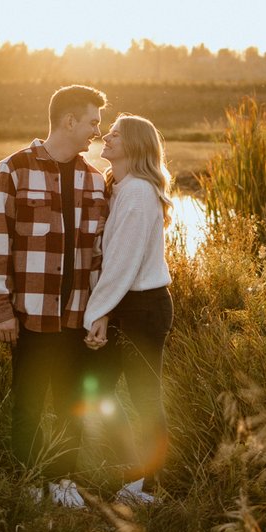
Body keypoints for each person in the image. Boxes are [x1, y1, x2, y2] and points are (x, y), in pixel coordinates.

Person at [0, 84, 108, 506]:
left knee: (74, 404)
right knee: (29, 406)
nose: (97, 130)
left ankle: (64, 481)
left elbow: (99, 256)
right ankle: (29, 482)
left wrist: (100, 313)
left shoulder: (95, 181)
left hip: (78, 315)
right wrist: (1, 309)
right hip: (30, 314)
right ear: (69, 121)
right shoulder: (12, 169)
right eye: (92, 121)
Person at [83, 114, 173, 503]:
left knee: (143, 396)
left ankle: (149, 485)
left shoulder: (137, 191)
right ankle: (130, 469)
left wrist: (98, 313)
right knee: (100, 387)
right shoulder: (120, 188)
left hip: (142, 307)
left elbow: (122, 262)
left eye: (116, 133)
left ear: (134, 145)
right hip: (127, 303)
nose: (106, 135)